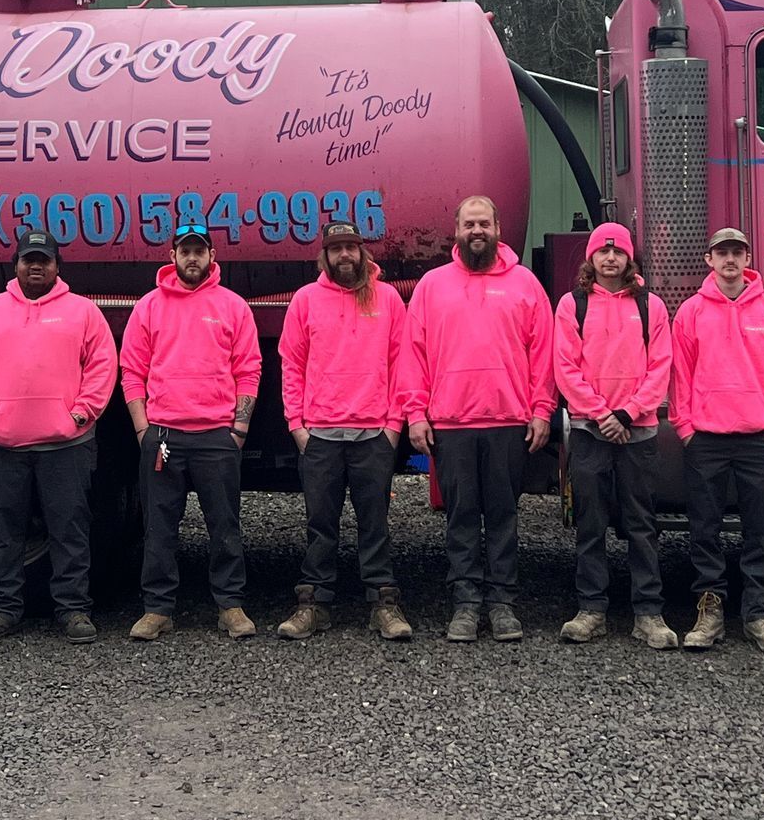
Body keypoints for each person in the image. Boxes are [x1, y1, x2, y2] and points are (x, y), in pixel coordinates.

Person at [402, 195, 554, 644]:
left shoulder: (525, 284)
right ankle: (466, 604)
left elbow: (543, 354)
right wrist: (415, 413)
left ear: (498, 228)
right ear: (456, 230)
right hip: (451, 423)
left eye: (484, 223)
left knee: (505, 516)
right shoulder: (432, 286)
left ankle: (504, 605)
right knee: (461, 518)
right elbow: (414, 355)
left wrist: (542, 409)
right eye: (469, 224)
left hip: (509, 421)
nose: (477, 232)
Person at [0, 228, 116, 645]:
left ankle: (73, 609)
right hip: (0, 445)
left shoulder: (83, 312)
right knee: (2, 530)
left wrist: (81, 414)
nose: (36, 267)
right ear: (16, 266)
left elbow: (102, 366)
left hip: (67, 446)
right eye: (29, 260)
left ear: (57, 267)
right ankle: (2, 609)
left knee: (70, 529)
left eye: (44, 260)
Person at [121, 224, 263, 641]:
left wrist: (239, 427)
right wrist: (143, 429)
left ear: (212, 256)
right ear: (173, 256)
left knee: (224, 525)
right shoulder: (148, 306)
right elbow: (132, 370)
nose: (192, 258)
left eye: (199, 251)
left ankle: (230, 605)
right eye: (185, 251)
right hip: (163, 435)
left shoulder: (233, 306)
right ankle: (158, 609)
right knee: (159, 527)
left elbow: (249, 369)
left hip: (217, 436)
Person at [276, 221, 412, 641]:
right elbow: (291, 364)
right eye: (336, 250)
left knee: (375, 522)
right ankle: (314, 603)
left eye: (352, 248)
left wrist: (392, 426)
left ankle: (383, 604)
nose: (345, 256)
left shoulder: (388, 298)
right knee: (320, 523)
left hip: (373, 434)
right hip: (320, 434)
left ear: (363, 252)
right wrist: (297, 425)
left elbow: (401, 363)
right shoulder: (305, 300)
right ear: (325, 256)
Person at [670, 227, 764, 655]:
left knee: (758, 532)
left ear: (747, 259)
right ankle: (710, 610)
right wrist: (685, 428)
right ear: (709, 260)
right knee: (704, 529)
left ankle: (758, 613)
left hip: (758, 438)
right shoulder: (690, 312)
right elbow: (680, 376)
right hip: (706, 439)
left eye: (736, 252)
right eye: (721, 253)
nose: (729, 260)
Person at [552, 223, 673, 646]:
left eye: (618, 252)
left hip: (636, 436)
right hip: (590, 433)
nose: (610, 259)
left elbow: (661, 368)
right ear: (591, 259)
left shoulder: (650, 306)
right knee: (591, 524)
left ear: (629, 259)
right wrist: (603, 414)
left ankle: (648, 613)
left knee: (642, 525)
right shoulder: (572, 305)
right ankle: (591, 609)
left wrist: (628, 413)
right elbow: (565, 369)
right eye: (602, 253)